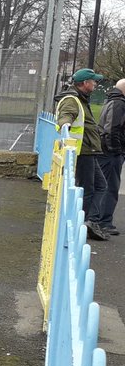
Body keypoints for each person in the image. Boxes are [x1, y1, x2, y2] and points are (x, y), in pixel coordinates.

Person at [55, 68, 109, 241]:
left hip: (88, 150)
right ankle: (82, 223)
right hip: (82, 151)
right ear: (85, 83)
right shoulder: (72, 100)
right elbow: (65, 117)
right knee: (89, 188)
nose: (95, 84)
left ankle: (90, 221)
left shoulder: (82, 100)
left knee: (100, 186)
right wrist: (65, 126)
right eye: (93, 81)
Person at [96, 78, 125, 235]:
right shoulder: (119, 104)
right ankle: (104, 222)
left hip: (107, 151)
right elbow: (112, 130)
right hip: (110, 153)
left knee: (105, 185)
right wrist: (117, 150)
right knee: (110, 187)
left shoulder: (111, 101)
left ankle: (101, 220)